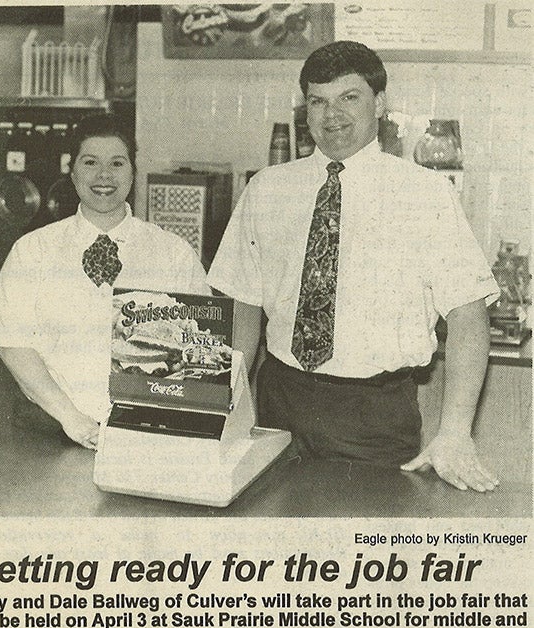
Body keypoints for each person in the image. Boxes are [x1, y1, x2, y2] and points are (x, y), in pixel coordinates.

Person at [207, 40, 500, 493]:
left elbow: (468, 315)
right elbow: (243, 306)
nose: (332, 115)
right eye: (318, 101)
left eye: (349, 97)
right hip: (278, 402)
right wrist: (226, 406)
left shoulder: (425, 194)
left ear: (380, 103)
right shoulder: (267, 189)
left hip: (374, 417)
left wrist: (455, 433)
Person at [0, 114, 210, 449]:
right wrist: (74, 421)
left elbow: (201, 350)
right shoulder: (33, 251)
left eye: (117, 163)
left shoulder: (173, 254)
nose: (104, 175)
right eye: (90, 162)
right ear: (72, 173)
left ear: (133, 172)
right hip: (50, 435)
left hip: (146, 437)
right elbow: (13, 344)